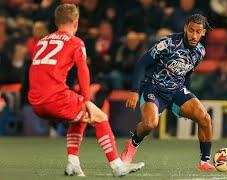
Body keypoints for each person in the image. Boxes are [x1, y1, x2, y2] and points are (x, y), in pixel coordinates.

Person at [28, 4, 144, 177]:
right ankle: (118, 166)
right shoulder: (76, 42)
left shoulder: (41, 42)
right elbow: (83, 71)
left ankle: (73, 162)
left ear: (56, 21)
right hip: (55, 99)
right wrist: (87, 100)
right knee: (100, 117)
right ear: (75, 22)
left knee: (80, 118)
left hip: (35, 103)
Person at [121, 14, 216, 171]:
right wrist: (134, 91)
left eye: (198, 32)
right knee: (150, 124)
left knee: (205, 118)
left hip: (177, 91)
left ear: (204, 33)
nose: (194, 35)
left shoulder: (200, 52)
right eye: (191, 30)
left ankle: (204, 162)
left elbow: (187, 73)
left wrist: (186, 101)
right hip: (154, 88)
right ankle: (131, 146)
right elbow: (141, 64)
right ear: (185, 28)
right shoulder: (168, 43)